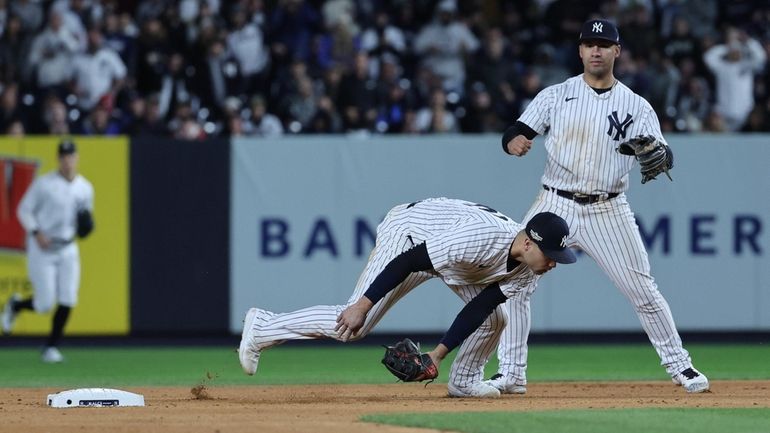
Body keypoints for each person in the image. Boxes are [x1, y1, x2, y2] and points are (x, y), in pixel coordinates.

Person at [487, 19, 710, 395]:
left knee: (642, 290)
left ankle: (681, 366)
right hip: (554, 201)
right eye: (589, 44)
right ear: (579, 51)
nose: (596, 50)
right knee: (514, 284)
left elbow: (663, 154)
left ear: (616, 52)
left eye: (603, 45)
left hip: (608, 207)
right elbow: (516, 131)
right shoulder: (555, 95)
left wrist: (660, 155)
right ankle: (511, 373)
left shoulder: (636, 106)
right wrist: (512, 143)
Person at [238, 198, 576, 398]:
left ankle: (464, 381)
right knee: (354, 325)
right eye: (549, 255)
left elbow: (482, 304)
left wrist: (438, 355)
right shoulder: (481, 237)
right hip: (410, 236)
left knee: (496, 318)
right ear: (529, 243)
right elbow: (409, 261)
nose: (552, 264)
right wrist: (363, 304)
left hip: (457, 263)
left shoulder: (528, 270)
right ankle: (264, 326)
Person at [1, 139, 95, 363]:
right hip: (43, 247)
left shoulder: (85, 188)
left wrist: (86, 227)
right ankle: (15, 305)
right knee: (44, 304)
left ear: (77, 158)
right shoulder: (45, 184)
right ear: (58, 159)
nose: (67, 160)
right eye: (63, 156)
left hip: (68, 247)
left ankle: (51, 347)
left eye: (71, 155)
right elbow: (24, 210)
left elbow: (86, 220)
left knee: (69, 298)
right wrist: (36, 232)